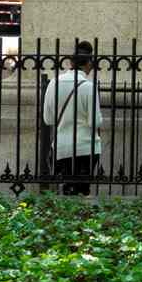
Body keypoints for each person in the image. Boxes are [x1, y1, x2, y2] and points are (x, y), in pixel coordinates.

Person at [42, 41, 102, 195]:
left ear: (70, 62)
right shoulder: (89, 86)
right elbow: (94, 122)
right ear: (88, 63)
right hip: (85, 147)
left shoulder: (54, 83)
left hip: (62, 147)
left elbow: (48, 119)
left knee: (68, 189)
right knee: (82, 191)